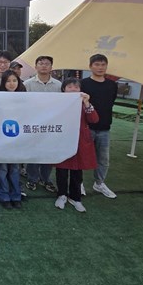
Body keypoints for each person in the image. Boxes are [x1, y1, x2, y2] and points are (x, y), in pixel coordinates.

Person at [54, 78, 99, 213]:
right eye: (69, 87)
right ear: (63, 89)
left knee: (77, 171)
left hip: (79, 141)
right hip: (62, 139)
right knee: (61, 170)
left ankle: (75, 197)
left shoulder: (83, 103)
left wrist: (87, 103)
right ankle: (61, 195)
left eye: (76, 87)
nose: (73, 90)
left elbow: (94, 119)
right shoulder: (57, 103)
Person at [80, 54, 118, 199]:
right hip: (86, 127)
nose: (100, 68)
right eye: (97, 64)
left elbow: (111, 102)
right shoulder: (83, 84)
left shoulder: (112, 85)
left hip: (104, 128)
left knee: (103, 159)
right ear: (90, 66)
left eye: (103, 65)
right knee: (82, 156)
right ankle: (79, 183)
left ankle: (99, 183)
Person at [23, 56, 61, 193]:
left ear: (51, 67)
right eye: (41, 63)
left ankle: (46, 178)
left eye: (47, 64)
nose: (44, 66)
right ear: (36, 66)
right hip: (33, 124)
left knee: (48, 152)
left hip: (51, 125)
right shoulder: (27, 84)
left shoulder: (58, 85)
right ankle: (32, 178)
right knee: (33, 152)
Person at [0, 69, 25, 209]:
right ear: (3, 83)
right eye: (8, 81)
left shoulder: (24, 99)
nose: (11, 83)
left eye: (14, 80)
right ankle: (3, 195)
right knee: (2, 169)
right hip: (1, 139)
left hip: (17, 139)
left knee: (14, 168)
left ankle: (16, 195)